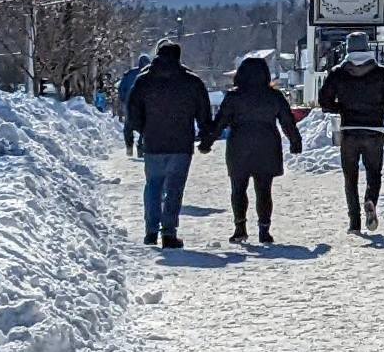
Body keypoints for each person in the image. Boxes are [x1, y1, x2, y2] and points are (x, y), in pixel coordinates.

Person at [199, 57, 303, 244]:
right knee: (264, 190)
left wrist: (207, 141)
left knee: (238, 189)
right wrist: (295, 141)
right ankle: (264, 230)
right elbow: (287, 121)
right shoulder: (274, 96)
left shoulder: (233, 97)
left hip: (239, 146)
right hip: (267, 145)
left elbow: (220, 122)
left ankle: (240, 228)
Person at [126, 42, 212, 249]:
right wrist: (205, 137)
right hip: (181, 144)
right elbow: (204, 113)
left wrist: (144, 130)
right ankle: (169, 233)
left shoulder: (144, 80)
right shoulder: (192, 81)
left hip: (153, 142)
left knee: (153, 185)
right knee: (174, 188)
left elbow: (132, 113)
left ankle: (151, 231)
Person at [318, 32, 384, 234]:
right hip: (373, 130)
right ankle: (370, 199)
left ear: (347, 48)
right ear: (367, 47)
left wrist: (342, 108)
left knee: (350, 177)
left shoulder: (338, 72)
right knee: (374, 173)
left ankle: (354, 222)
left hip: (349, 132)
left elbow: (324, 102)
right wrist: (377, 106)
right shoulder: (380, 73)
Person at [119, 54, 151, 157]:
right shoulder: (151, 74)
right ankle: (141, 146)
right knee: (145, 127)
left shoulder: (130, 74)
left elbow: (121, 88)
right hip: (145, 106)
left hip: (130, 105)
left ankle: (129, 147)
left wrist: (124, 99)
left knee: (128, 127)